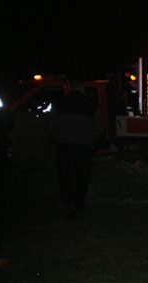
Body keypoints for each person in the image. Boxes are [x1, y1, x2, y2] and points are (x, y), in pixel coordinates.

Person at [53, 84, 101, 219]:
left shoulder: (60, 104)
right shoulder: (90, 105)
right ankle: (78, 204)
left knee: (65, 176)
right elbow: (99, 126)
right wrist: (91, 141)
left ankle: (67, 202)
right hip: (84, 148)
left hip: (64, 146)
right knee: (81, 177)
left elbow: (52, 125)